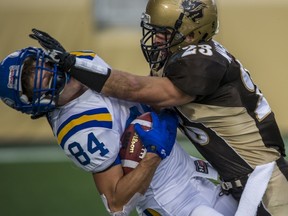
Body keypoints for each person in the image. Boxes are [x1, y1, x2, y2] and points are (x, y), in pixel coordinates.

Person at [27, 0, 288, 215]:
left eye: (164, 32)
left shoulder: (203, 62)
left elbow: (138, 90)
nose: (157, 38)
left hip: (265, 181)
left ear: (193, 33)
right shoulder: (181, 57)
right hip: (238, 182)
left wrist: (77, 67)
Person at [0, 46, 238, 216]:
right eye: (38, 81)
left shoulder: (82, 60)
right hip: (171, 202)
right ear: (34, 102)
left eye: (43, 65)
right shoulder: (79, 131)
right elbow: (116, 204)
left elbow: (130, 92)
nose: (52, 72)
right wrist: (153, 155)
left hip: (195, 173)